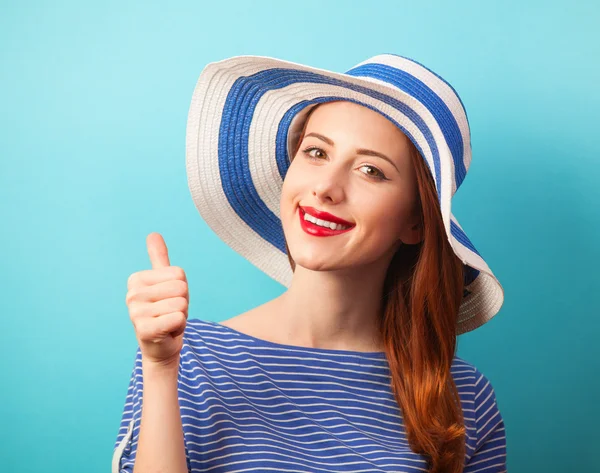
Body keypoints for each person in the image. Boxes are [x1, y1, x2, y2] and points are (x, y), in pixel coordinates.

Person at [113, 54, 507, 473]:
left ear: (415, 222)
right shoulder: (184, 357)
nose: (325, 188)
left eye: (371, 170)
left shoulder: (464, 396)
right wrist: (159, 370)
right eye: (316, 152)